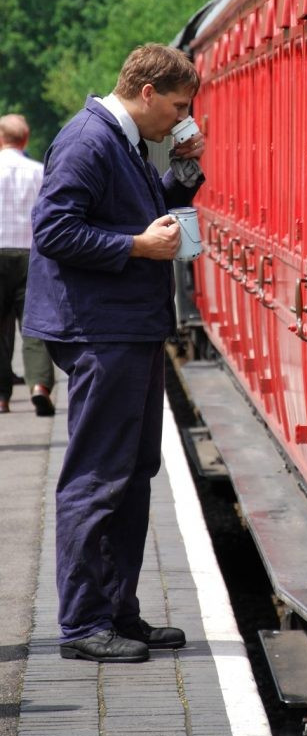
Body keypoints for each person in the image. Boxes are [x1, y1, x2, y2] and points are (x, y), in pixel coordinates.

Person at [23, 44, 205, 663]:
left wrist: (180, 176)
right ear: (148, 91)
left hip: (127, 327)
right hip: (100, 330)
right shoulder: (88, 139)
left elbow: (137, 212)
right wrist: (135, 247)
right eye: (178, 108)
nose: (182, 121)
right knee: (98, 477)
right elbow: (52, 229)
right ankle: (81, 624)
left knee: (131, 474)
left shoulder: (120, 141)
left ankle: (117, 611)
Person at [0, 113, 55, 415]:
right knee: (34, 324)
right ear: (25, 139)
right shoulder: (39, 172)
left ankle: (2, 397)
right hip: (32, 254)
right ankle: (39, 386)